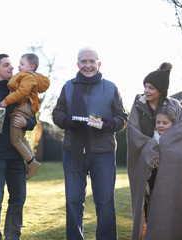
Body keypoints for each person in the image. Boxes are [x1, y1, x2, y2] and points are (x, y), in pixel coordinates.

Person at [52, 47, 128, 240]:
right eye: (84, 61)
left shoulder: (111, 87)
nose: (88, 65)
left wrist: (109, 124)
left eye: (92, 61)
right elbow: (57, 114)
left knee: (105, 202)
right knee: (73, 202)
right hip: (73, 152)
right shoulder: (68, 86)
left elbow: (122, 117)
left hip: (102, 153)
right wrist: (67, 121)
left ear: (98, 64)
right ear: (78, 64)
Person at [127, 62, 182, 240]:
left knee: (168, 206)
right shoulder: (138, 105)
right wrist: (152, 146)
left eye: (151, 87)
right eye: (145, 86)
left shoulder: (174, 105)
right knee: (146, 207)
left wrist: (164, 142)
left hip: (169, 169)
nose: (146, 90)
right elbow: (133, 133)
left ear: (161, 90)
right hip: (147, 167)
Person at [0, 54, 37, 240]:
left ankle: (13, 236)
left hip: (16, 154)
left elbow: (32, 117)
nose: (12, 68)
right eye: (6, 65)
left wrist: (26, 123)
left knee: (19, 198)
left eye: (12, 64)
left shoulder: (21, 87)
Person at [0, 53, 50, 180]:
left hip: (22, 108)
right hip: (27, 109)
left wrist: (6, 101)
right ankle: (32, 160)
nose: (18, 66)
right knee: (22, 138)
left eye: (22, 64)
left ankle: (31, 163)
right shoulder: (32, 77)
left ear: (31, 67)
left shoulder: (28, 76)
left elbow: (22, 92)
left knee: (15, 139)